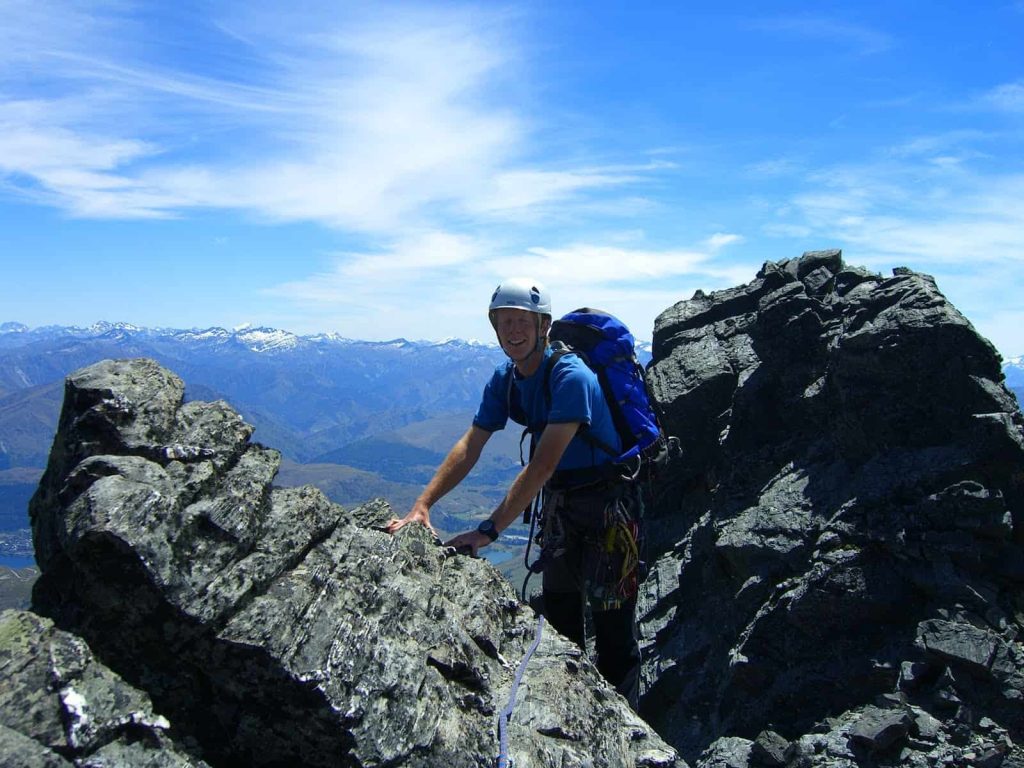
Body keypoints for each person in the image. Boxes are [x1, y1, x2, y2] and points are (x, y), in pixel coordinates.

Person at [386, 278, 642, 706]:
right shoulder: (506, 379)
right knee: (561, 622)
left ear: (544, 326)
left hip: (610, 506)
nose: (512, 331)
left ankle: (630, 734)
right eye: (503, 322)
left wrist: (489, 530)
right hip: (561, 506)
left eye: (522, 321)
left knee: (614, 635)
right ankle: (570, 716)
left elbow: (542, 464)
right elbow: (470, 445)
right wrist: (423, 505)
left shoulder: (571, 376)